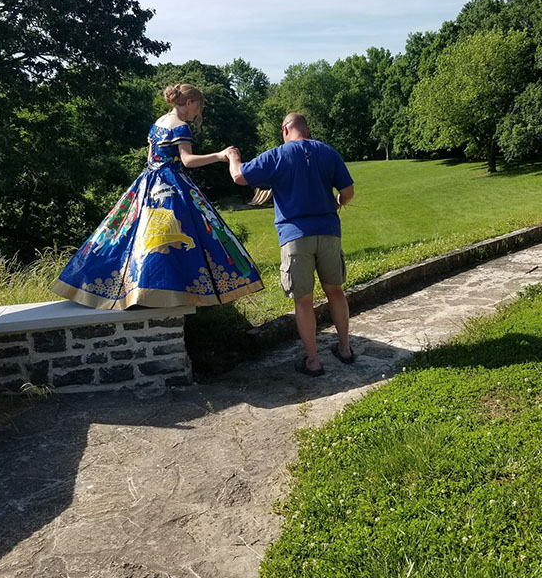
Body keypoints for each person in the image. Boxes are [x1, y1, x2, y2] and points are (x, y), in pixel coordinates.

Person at [53, 83, 263, 309]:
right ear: (189, 102)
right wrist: (220, 155)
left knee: (127, 233)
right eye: (198, 107)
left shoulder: (158, 123)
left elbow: (149, 158)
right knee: (176, 236)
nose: (197, 113)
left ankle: (111, 286)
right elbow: (187, 161)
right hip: (170, 185)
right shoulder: (181, 127)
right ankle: (168, 290)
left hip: (146, 184)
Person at [228, 112, 354, 377]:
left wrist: (232, 157)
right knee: (335, 291)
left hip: (295, 236)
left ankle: (313, 361)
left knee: (303, 301)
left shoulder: (276, 155)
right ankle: (344, 349)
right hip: (329, 232)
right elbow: (348, 192)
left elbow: (239, 176)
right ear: (306, 130)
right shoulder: (327, 152)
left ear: (285, 130)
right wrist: (337, 204)